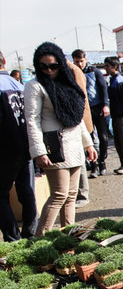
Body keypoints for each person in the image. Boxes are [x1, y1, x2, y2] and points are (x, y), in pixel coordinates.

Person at [23, 42, 96, 235]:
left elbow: (77, 117)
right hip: (54, 147)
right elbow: (32, 120)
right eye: (43, 66)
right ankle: (40, 243)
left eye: (53, 66)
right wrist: (38, 151)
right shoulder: (34, 86)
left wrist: (88, 143)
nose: (48, 70)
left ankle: (68, 240)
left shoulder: (67, 83)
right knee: (59, 194)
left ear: (60, 65)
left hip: (74, 144)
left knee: (71, 196)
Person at [0, 50, 37, 241]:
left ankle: (13, 238)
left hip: (5, 149)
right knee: (26, 190)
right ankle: (31, 232)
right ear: (4, 61)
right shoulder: (21, 85)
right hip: (26, 144)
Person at [72, 49, 109, 177]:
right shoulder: (73, 74)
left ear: (85, 60)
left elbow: (103, 88)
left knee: (103, 138)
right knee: (89, 139)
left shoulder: (95, 72)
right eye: (77, 62)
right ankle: (93, 166)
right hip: (84, 111)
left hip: (98, 108)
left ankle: (102, 161)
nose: (80, 64)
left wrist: (105, 105)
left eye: (81, 61)